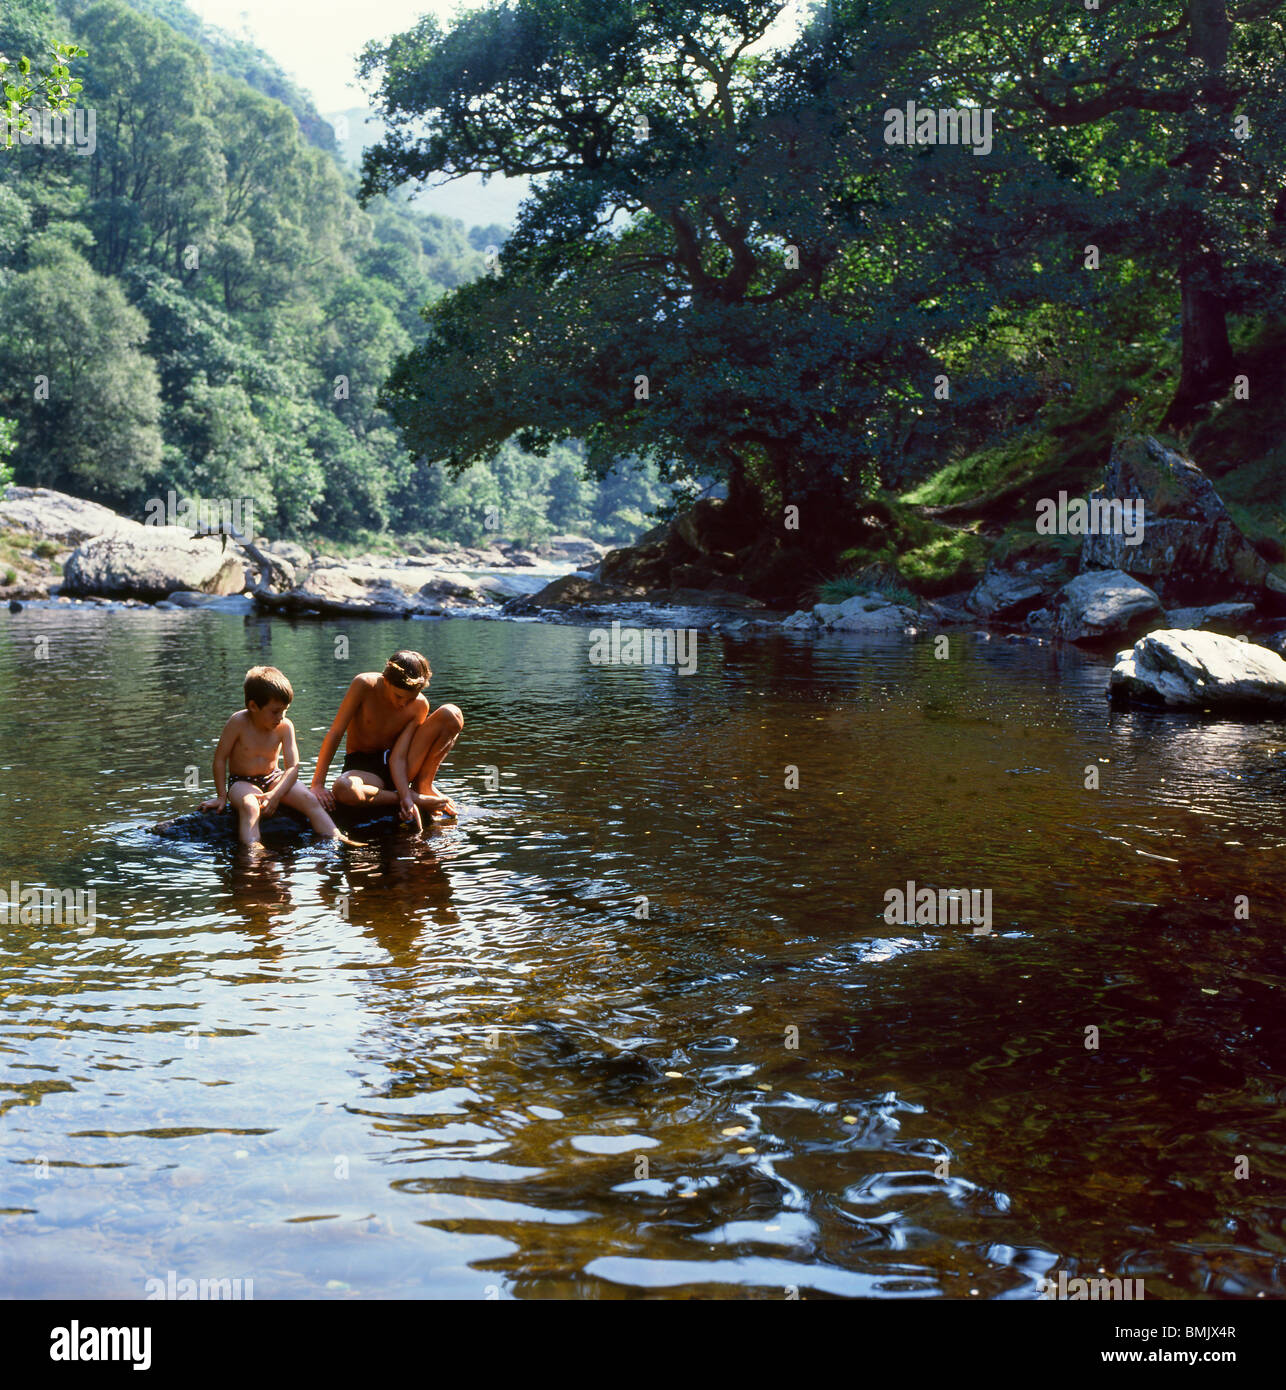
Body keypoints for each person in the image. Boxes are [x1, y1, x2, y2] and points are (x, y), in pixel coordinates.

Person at [200, 666, 352, 846]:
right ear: (253, 706)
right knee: (250, 807)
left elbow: (293, 768)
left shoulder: (285, 726)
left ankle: (336, 837)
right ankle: (253, 849)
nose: (280, 717)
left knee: (309, 799)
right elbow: (220, 759)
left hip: (274, 778)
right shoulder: (238, 723)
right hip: (242, 781)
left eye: (284, 710)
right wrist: (221, 797)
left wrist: (275, 795)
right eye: (275, 711)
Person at [310, 650, 463, 829]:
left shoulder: (420, 705)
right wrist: (318, 784)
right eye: (399, 696)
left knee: (452, 714)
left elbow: (397, 757)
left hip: (400, 764)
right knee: (344, 788)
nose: (403, 704)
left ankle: (423, 786)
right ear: (386, 680)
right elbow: (336, 732)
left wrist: (406, 793)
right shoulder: (364, 685)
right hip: (364, 769)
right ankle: (414, 797)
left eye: (410, 698)